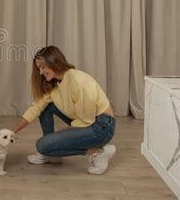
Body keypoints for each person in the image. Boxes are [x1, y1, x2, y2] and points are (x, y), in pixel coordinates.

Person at [11, 46, 116, 175]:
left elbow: (87, 120)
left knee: (42, 145)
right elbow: (36, 107)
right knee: (46, 107)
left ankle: (98, 152)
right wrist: (12, 131)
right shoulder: (55, 83)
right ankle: (50, 153)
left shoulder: (77, 82)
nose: (40, 72)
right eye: (38, 68)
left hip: (101, 127)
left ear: (54, 63)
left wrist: (59, 138)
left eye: (43, 67)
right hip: (87, 120)